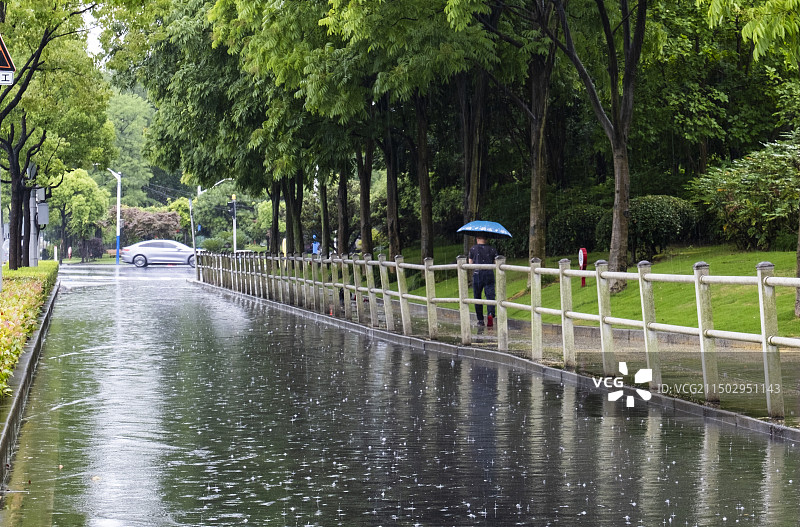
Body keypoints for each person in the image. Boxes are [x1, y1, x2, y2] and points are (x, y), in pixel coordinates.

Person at [468, 235, 497, 327]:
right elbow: (496, 263)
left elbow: (470, 262)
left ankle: (480, 320)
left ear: (477, 239)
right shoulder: (492, 249)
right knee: (490, 295)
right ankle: (490, 314)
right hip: (489, 273)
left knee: (477, 296)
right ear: (486, 239)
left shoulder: (473, 249)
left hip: (477, 274)